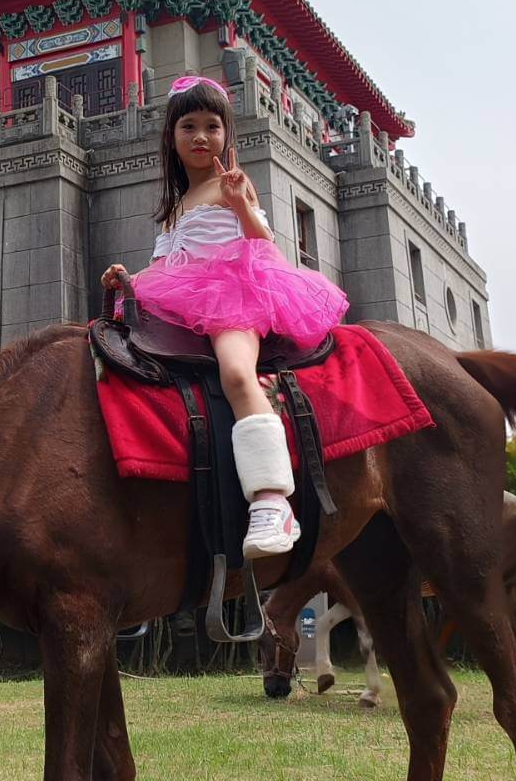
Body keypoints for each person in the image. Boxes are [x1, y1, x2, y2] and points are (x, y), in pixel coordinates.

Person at [100, 75, 349, 558]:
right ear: (171, 138)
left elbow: (263, 240)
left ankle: (273, 498)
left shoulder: (230, 184)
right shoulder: (173, 206)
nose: (200, 136)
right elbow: (164, 265)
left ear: (226, 135)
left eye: (211, 126)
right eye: (188, 126)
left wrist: (240, 203)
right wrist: (127, 280)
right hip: (178, 297)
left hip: (236, 291)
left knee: (236, 372)